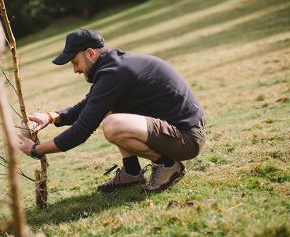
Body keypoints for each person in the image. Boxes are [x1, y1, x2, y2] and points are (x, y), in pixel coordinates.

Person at [16, 29, 205, 193]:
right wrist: (50, 117)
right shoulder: (113, 67)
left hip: (186, 138)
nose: (75, 70)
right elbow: (89, 105)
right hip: (176, 132)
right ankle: (131, 172)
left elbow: (82, 130)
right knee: (107, 110)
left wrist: (36, 150)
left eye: (75, 62)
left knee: (112, 124)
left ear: (91, 53)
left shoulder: (114, 73)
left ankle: (168, 165)